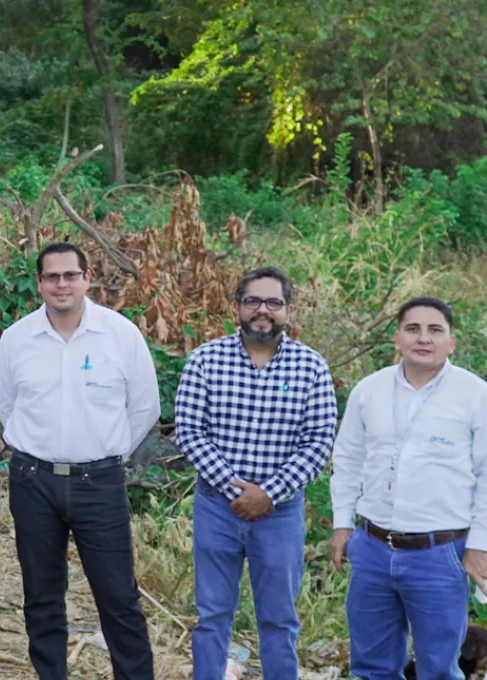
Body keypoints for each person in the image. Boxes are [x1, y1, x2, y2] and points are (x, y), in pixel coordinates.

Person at [0, 242, 161, 680]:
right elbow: (8, 407)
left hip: (99, 483)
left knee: (118, 598)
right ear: (39, 283)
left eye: (70, 275)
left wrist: (106, 453)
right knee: (42, 596)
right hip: (33, 481)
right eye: (51, 276)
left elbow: (144, 407)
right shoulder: (17, 339)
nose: (61, 284)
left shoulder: (121, 335)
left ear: (88, 278)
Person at [329, 297, 487, 680]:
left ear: (451, 342)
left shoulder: (475, 395)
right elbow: (346, 461)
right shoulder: (369, 391)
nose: (423, 338)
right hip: (373, 548)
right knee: (372, 667)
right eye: (413, 329)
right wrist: (342, 525)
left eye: (434, 330)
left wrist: (478, 545)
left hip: (439, 553)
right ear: (397, 338)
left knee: (439, 669)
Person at [174, 267, 337, 680]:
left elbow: (318, 442)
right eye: (253, 302)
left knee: (279, 619)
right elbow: (189, 431)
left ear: (289, 310)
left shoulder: (311, 366)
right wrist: (237, 490)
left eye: (273, 303)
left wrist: (268, 493)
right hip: (217, 507)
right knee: (212, 615)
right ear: (237, 307)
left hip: (279, 514)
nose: (262, 311)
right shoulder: (206, 360)